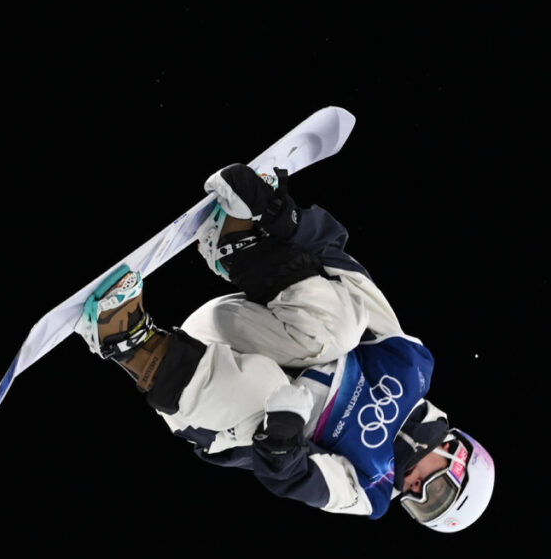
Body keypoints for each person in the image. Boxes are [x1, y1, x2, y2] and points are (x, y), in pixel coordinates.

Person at [74, 162, 495, 531]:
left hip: (213, 405)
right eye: (436, 490)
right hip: (237, 328)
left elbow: (295, 478)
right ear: (456, 453)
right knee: (344, 328)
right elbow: (350, 280)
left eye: (421, 507)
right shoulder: (411, 368)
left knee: (268, 390)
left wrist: (282, 438)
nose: (416, 491)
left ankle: (126, 340)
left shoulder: (371, 493)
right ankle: (236, 245)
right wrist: (286, 219)